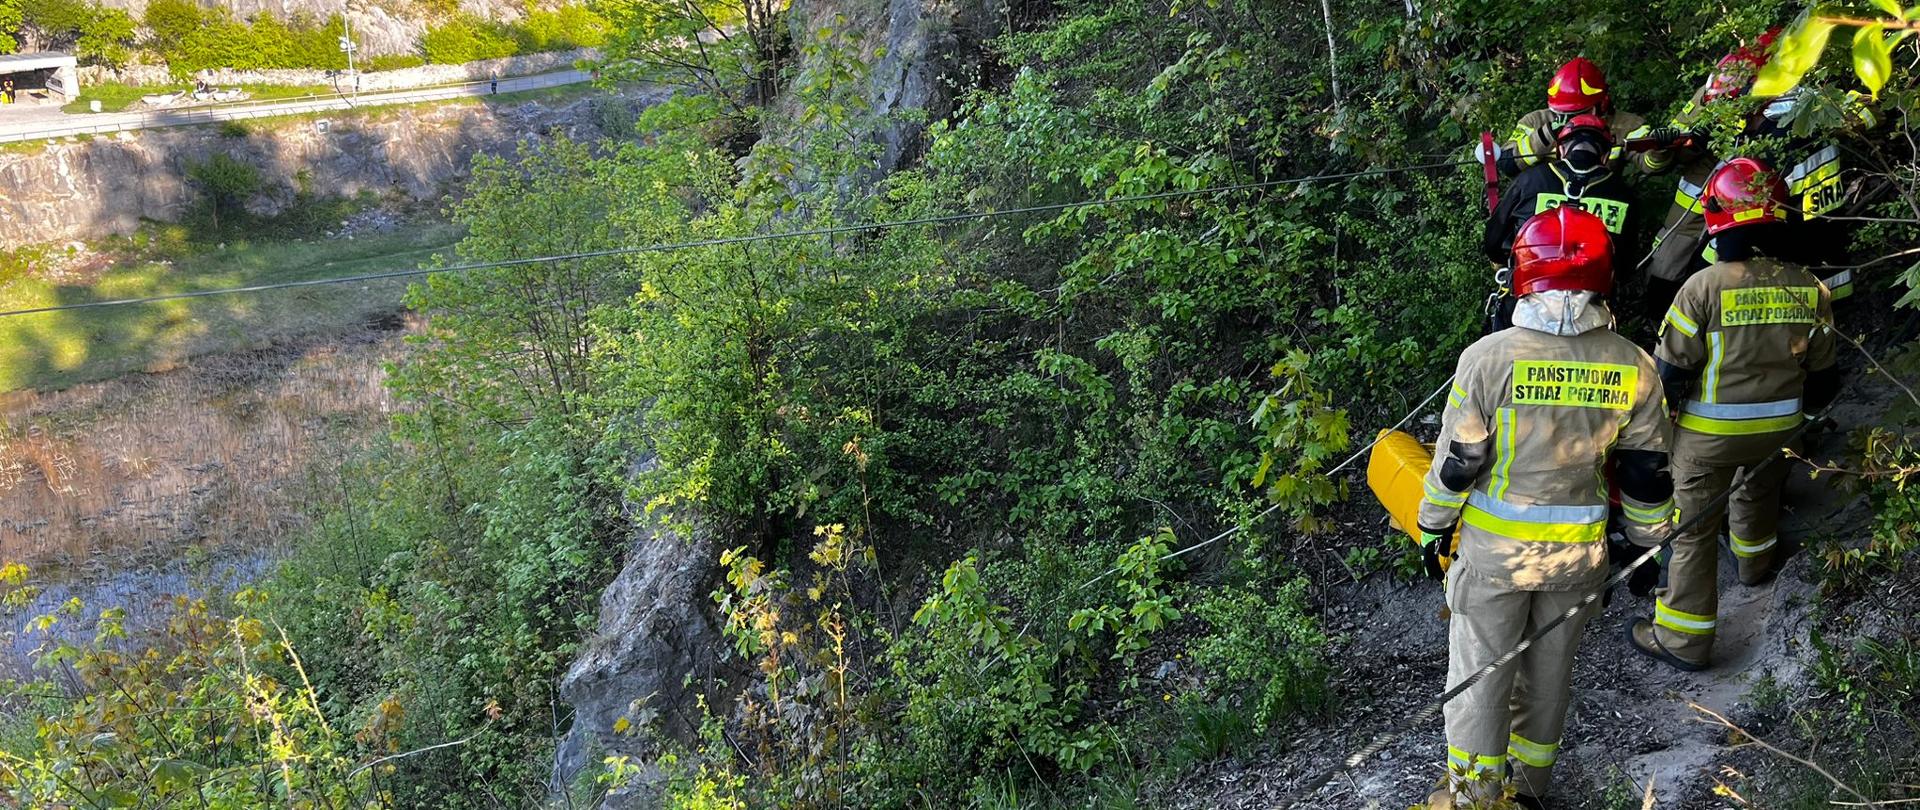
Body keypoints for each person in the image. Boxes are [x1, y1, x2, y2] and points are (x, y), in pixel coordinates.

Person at [1418, 207, 1675, 808]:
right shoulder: (1632, 365)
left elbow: (1458, 462)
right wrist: (1644, 545)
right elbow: (1646, 473)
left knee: (1481, 679)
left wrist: (1433, 529)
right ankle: (1531, 790)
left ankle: (1477, 798)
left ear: (1521, 273)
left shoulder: (1488, 359)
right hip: (1576, 561)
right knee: (1548, 676)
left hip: (1494, 561)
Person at [1628, 157, 1840, 672]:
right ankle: (1755, 565)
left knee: (1693, 531)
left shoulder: (1702, 287)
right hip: (1780, 430)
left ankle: (1683, 639)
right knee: (1759, 491)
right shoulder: (1809, 286)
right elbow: (1825, 378)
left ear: (1718, 219)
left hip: (1707, 438)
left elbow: (1670, 374)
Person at [1482, 115, 1640, 332]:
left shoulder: (1530, 180)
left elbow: (1493, 241)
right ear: (1604, 156)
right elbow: (1624, 265)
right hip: (1593, 313)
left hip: (1525, 302)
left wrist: (1509, 261)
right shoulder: (1623, 194)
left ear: (1561, 150)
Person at [1493, 58, 1661, 178]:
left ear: (1600, 105)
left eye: (1577, 113)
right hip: (1545, 210)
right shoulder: (1535, 121)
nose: (1568, 119)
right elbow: (1507, 166)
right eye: (1561, 113)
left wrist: (1661, 149)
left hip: (1599, 203)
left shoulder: (1626, 125)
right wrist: (1544, 137)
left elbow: (1651, 165)